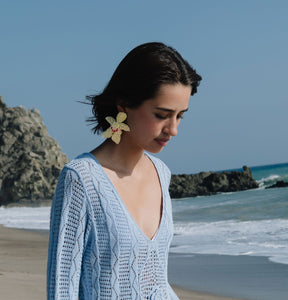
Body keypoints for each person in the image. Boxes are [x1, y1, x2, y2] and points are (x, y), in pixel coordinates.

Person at [47, 42, 202, 299]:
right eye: (162, 114)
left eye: (180, 116)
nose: (173, 129)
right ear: (124, 105)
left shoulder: (161, 173)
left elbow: (156, 281)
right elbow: (63, 288)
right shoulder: (81, 178)